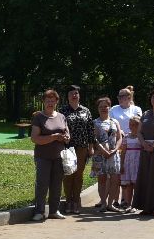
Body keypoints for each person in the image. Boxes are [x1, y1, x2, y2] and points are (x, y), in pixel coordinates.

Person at [29, 88, 70, 221]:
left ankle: (54, 210)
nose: (50, 103)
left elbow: (67, 135)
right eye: (48, 101)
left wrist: (66, 137)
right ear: (43, 102)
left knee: (57, 184)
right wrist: (53, 137)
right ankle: (39, 211)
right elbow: (35, 138)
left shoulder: (62, 116)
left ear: (57, 102)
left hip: (59, 157)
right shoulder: (38, 117)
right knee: (42, 184)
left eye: (53, 101)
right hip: (43, 157)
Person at [60, 86, 94, 215]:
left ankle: (76, 201)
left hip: (82, 147)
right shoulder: (63, 110)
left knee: (78, 175)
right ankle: (69, 201)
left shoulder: (86, 110)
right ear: (68, 97)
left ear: (79, 95)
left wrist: (91, 146)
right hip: (68, 148)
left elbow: (90, 129)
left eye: (76, 93)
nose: (74, 95)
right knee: (68, 174)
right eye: (71, 94)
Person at [91, 97, 122, 213]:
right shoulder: (94, 122)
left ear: (109, 107)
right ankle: (103, 203)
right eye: (101, 107)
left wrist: (115, 150)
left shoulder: (115, 122)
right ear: (97, 109)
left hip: (113, 155)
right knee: (102, 179)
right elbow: (94, 139)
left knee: (114, 179)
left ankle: (110, 204)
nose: (103, 108)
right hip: (100, 155)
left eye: (105, 106)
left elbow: (119, 138)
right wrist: (103, 150)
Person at [119, 112, 142, 211]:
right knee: (128, 185)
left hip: (137, 163)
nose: (133, 127)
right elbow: (123, 152)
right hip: (128, 163)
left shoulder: (141, 137)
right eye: (131, 124)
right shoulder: (126, 137)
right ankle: (128, 204)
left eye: (135, 124)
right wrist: (122, 164)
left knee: (136, 184)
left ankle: (136, 204)